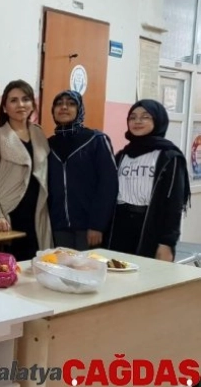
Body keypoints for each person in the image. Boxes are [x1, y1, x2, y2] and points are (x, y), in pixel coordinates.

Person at [106, 99, 191, 261]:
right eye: (133, 117)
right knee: (116, 271)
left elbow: (174, 203)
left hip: (150, 225)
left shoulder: (169, 157)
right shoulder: (122, 155)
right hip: (119, 225)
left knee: (146, 273)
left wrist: (167, 242)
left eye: (145, 117)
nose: (137, 121)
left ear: (158, 120)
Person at [0, 79, 52, 260]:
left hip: (37, 213)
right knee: (7, 267)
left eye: (25, 99)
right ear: (5, 108)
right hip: (8, 215)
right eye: (13, 100)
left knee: (36, 264)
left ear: (32, 104)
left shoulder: (39, 133)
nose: (20, 104)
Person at [47, 90, 118, 250]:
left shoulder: (96, 140)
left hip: (88, 228)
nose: (64, 107)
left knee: (87, 265)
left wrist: (97, 225)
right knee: (61, 265)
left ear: (79, 109)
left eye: (71, 104)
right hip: (58, 225)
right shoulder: (49, 144)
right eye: (59, 104)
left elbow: (108, 185)